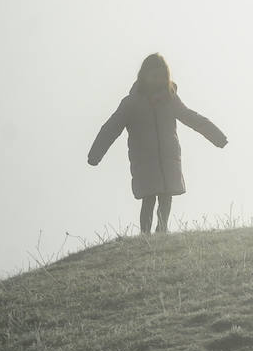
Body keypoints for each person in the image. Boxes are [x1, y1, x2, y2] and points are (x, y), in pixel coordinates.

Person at [88, 53, 228, 234]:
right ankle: (145, 233)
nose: (158, 80)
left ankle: (162, 229)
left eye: (162, 76)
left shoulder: (170, 100)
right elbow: (111, 128)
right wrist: (95, 154)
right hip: (144, 160)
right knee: (149, 198)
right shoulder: (131, 103)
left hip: (169, 158)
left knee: (166, 195)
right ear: (144, 77)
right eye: (154, 76)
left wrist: (216, 136)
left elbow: (192, 118)